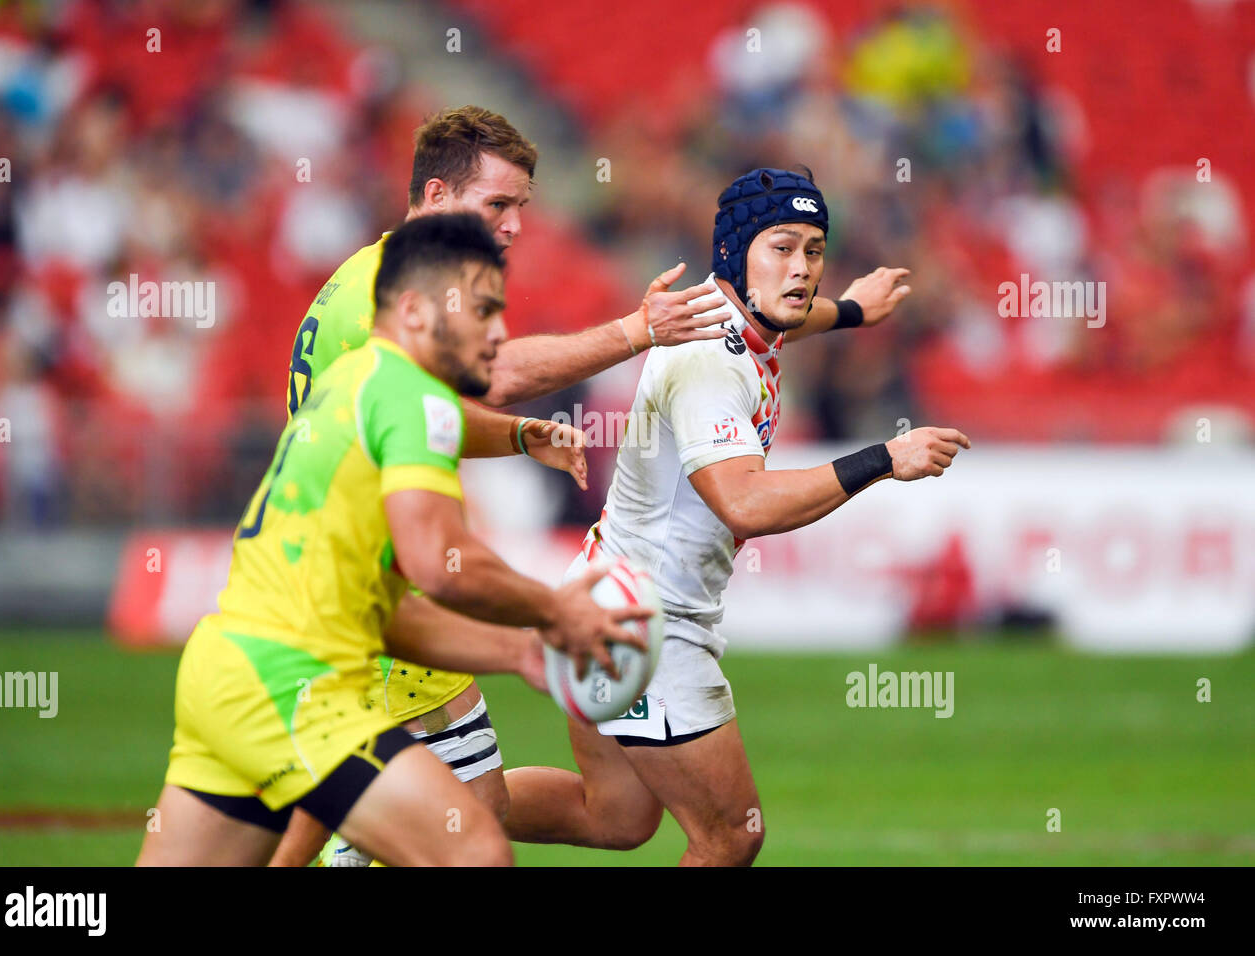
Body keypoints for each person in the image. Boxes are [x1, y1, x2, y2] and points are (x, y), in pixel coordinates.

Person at [273, 108, 910, 866]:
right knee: (477, 835)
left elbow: (429, 411)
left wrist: (517, 436)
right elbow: (498, 376)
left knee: (547, 816)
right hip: (385, 586)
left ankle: (353, 837)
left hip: (374, 575)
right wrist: (637, 330)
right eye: (497, 206)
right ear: (437, 194)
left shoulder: (372, 277)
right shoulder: (406, 290)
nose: (513, 227)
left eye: (523, 208)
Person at [137, 213, 650, 867]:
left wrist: (521, 650)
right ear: (413, 310)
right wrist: (555, 610)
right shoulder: (415, 401)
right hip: (291, 686)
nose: (498, 333)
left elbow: (394, 612)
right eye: (482, 310)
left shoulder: (351, 384)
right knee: (474, 852)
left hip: (223, 672)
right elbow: (438, 566)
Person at [501, 168, 972, 865]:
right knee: (730, 837)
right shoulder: (707, 362)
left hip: (603, 592)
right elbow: (745, 501)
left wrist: (850, 310)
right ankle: (402, 810)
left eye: (813, 250)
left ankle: (394, 807)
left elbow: (793, 314)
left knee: (613, 817)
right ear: (735, 255)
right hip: (647, 624)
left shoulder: (740, 316)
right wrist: (884, 459)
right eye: (782, 248)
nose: (802, 269)